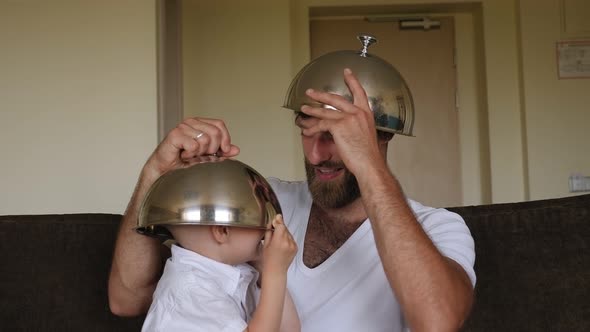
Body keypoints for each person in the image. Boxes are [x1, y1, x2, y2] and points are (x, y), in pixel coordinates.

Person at [109, 68, 475, 331]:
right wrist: (156, 173)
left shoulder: (436, 228)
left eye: (334, 136)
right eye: (307, 133)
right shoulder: (259, 200)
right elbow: (127, 300)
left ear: (380, 137)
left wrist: (369, 168)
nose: (316, 156)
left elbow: (436, 322)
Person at [140, 214, 300, 332]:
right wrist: (275, 273)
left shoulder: (237, 271)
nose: (266, 229)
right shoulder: (191, 290)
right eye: (258, 220)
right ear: (222, 231)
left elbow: (289, 329)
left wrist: (267, 268)